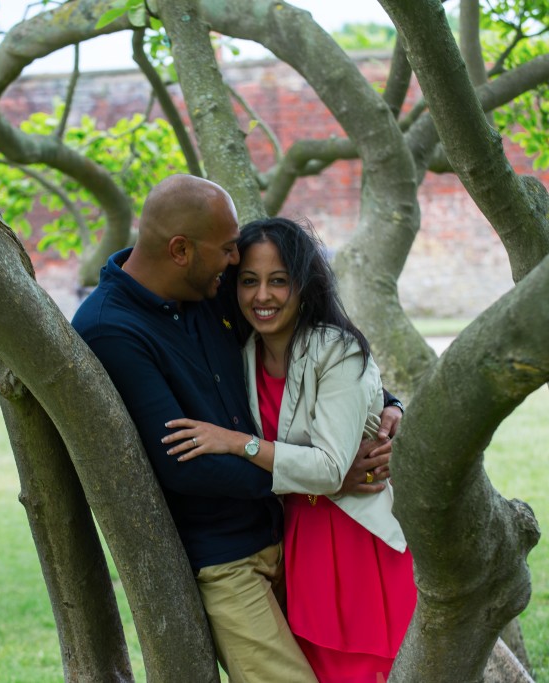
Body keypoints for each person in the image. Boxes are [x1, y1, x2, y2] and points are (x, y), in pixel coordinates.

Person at [72, 175, 401, 682]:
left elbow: (298, 321)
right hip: (225, 557)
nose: (235, 263)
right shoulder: (111, 328)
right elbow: (184, 464)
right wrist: (319, 475)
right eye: (227, 250)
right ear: (181, 249)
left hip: (289, 535)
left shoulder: (206, 287)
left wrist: (383, 406)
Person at [164, 216, 417, 682]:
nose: (263, 296)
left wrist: (239, 443)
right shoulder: (242, 354)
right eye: (249, 282)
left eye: (279, 281)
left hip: (360, 540)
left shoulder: (337, 350)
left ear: (304, 285)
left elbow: (328, 469)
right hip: (302, 544)